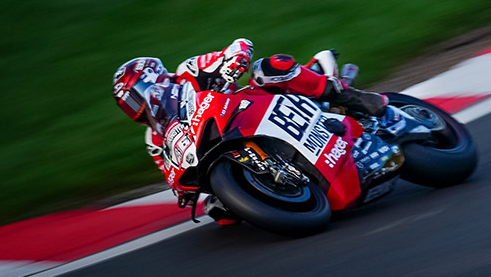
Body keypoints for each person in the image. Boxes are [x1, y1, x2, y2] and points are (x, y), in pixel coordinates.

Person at [111, 38, 398, 224]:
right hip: (221, 144)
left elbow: (239, 47)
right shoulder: (155, 138)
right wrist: (184, 191)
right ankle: (279, 184)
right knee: (219, 212)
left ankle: (347, 96)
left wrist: (232, 63)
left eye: (136, 96)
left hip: (251, 106)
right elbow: (169, 171)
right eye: (129, 104)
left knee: (269, 68)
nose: (135, 107)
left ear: (153, 79)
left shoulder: (189, 72)